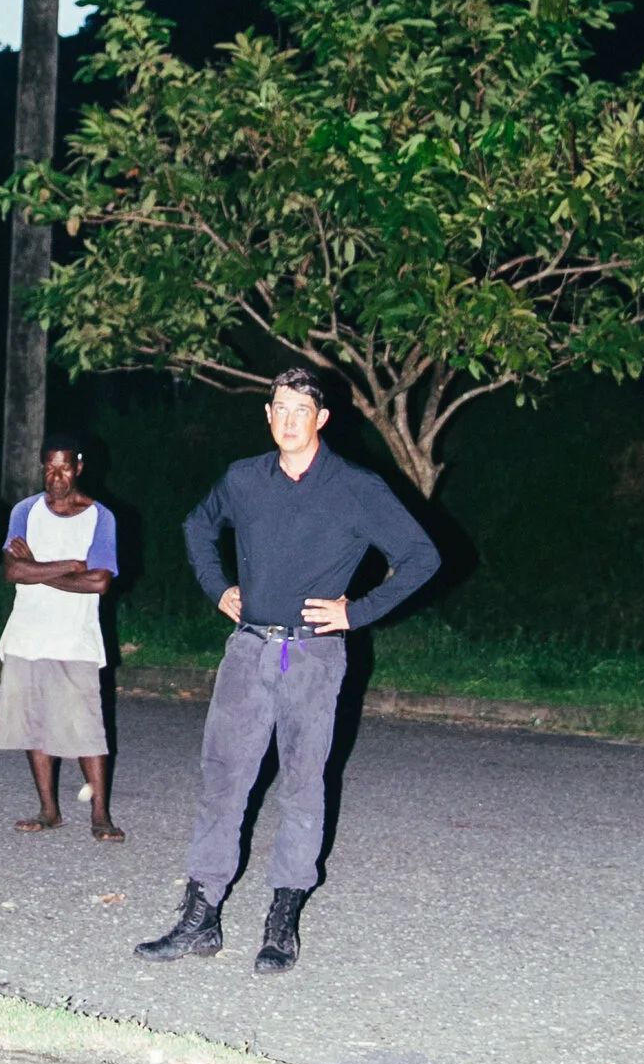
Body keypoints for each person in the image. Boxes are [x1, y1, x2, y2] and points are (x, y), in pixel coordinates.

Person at [138, 365, 438, 973]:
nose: (290, 420)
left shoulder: (356, 487)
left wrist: (357, 611)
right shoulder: (245, 478)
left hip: (313, 656)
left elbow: (421, 556)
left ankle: (282, 920)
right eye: (281, 409)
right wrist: (218, 586)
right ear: (268, 415)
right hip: (248, 650)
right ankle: (200, 917)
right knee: (223, 781)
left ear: (321, 419)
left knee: (302, 785)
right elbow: (197, 525)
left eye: (303, 410)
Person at [0, 435, 123, 841]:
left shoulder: (99, 517)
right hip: (26, 637)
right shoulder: (24, 511)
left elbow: (99, 582)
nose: (56, 476)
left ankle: (100, 815)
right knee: (33, 727)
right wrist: (69, 565)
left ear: (78, 468)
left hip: (75, 640)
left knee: (87, 729)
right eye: (49, 467)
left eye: (64, 467)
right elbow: (13, 571)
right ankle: (48, 810)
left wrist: (38, 569)